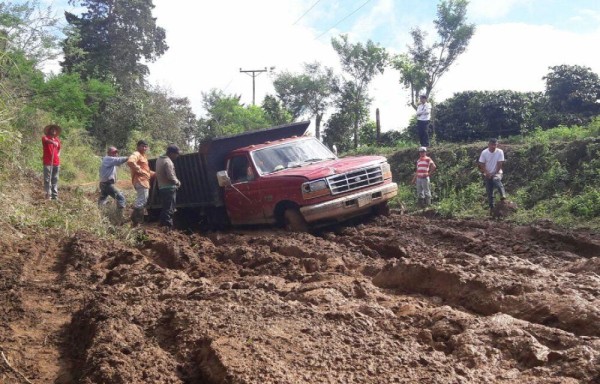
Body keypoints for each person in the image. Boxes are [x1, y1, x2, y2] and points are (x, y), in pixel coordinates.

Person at [127, 140, 155, 225]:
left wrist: (155, 174)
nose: (144, 148)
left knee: (142, 200)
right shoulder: (137, 154)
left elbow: (147, 171)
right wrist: (139, 170)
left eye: (146, 146)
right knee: (142, 201)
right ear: (138, 147)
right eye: (142, 146)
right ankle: (136, 222)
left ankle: (134, 221)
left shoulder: (144, 157)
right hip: (141, 181)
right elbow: (130, 162)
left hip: (144, 181)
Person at [155, 144, 182, 229]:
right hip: (169, 188)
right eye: (176, 154)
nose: (177, 156)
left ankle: (162, 225)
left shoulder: (159, 159)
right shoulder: (168, 161)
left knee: (165, 207)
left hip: (162, 187)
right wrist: (177, 182)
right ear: (171, 153)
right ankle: (167, 227)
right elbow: (170, 176)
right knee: (170, 209)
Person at [98, 146, 129, 218]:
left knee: (103, 199)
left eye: (116, 152)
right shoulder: (108, 159)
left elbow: (117, 161)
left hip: (103, 184)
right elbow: (119, 160)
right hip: (107, 184)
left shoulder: (108, 160)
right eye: (113, 152)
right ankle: (119, 216)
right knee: (121, 198)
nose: (115, 154)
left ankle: (101, 215)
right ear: (108, 153)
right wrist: (129, 157)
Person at [478, 138, 507, 215]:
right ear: (489, 145)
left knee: (496, 179)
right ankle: (492, 208)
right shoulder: (484, 153)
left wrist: (495, 173)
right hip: (487, 173)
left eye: (495, 145)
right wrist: (487, 173)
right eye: (492, 145)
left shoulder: (500, 152)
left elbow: (500, 163)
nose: (494, 146)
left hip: (497, 173)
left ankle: (503, 195)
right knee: (489, 191)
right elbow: (481, 164)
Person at [41, 124, 62, 200]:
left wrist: (58, 155)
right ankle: (48, 195)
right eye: (52, 129)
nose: (53, 131)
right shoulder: (45, 138)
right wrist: (53, 142)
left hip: (56, 163)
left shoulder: (57, 140)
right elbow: (46, 141)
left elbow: (59, 149)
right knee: (47, 179)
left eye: (55, 130)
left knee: (55, 179)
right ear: (49, 131)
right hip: (48, 162)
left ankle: (54, 196)